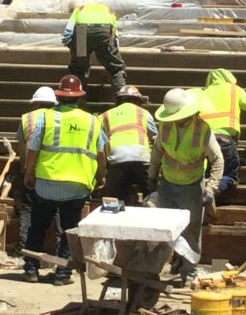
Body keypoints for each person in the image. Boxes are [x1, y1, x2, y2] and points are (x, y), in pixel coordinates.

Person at [23, 75, 107, 285]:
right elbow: (102, 154)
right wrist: (100, 176)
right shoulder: (92, 121)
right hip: (77, 185)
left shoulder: (46, 117)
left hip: (47, 182)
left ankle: (31, 269)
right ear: (79, 98)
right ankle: (62, 274)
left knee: (38, 227)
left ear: (59, 96)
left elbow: (32, 148)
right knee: (70, 230)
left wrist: (29, 172)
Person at [148, 88, 223, 284]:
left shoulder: (202, 129)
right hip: (167, 183)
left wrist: (211, 188)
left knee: (191, 231)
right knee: (163, 229)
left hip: (191, 186)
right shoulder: (164, 127)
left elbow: (217, 160)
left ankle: (189, 272)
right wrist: (151, 177)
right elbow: (156, 154)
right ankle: (153, 271)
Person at [200, 69, 246, 195]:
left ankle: (203, 194)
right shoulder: (234, 90)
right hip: (224, 141)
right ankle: (212, 193)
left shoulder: (202, 93)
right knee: (229, 175)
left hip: (202, 142)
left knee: (205, 174)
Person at [15, 86, 58, 254]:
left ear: (36, 103)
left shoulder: (27, 118)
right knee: (57, 211)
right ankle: (58, 252)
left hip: (33, 171)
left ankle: (24, 247)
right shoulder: (58, 117)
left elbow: (23, 149)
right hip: (52, 171)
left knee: (28, 208)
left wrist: (25, 171)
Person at [99, 85, 157, 205]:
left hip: (116, 159)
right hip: (141, 158)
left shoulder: (104, 116)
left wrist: (101, 172)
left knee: (114, 200)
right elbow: (156, 140)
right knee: (151, 196)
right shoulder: (143, 113)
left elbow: (99, 144)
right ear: (137, 100)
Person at [61, 0, 126, 93]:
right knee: (116, 69)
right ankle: (122, 98)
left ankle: (78, 99)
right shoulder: (108, 10)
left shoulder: (80, 9)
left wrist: (73, 48)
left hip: (82, 31)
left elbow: (68, 31)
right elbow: (115, 37)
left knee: (79, 68)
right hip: (104, 31)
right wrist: (113, 59)